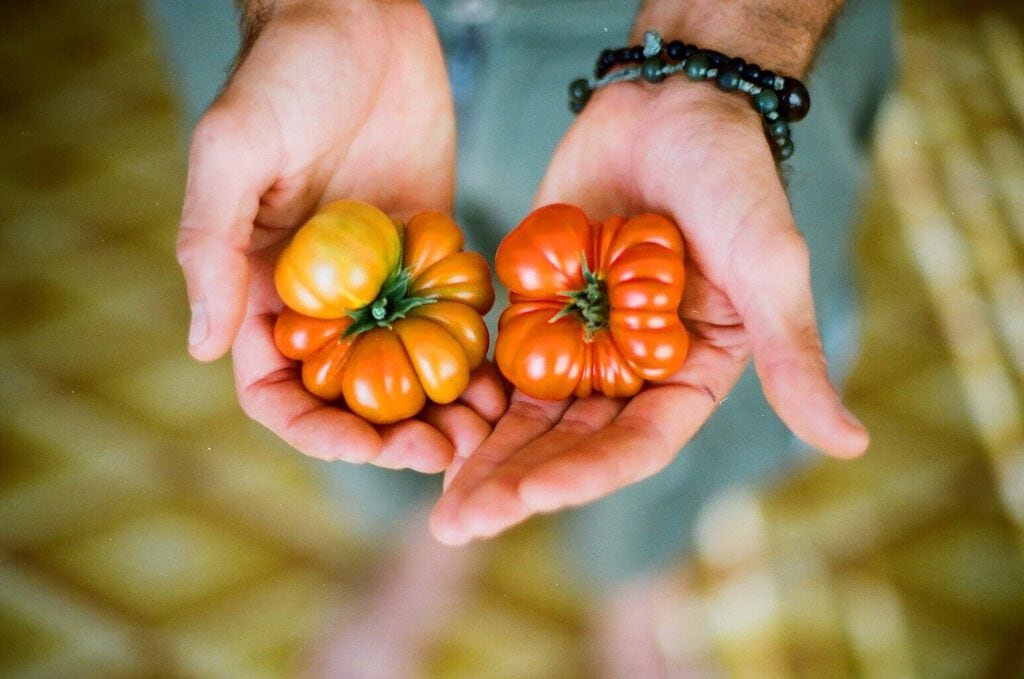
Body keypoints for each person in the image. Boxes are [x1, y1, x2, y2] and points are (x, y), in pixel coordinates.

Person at [167, 0, 893, 672]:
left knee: (704, 319)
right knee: (386, 414)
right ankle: (424, 545)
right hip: (336, 54)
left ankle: (636, 582)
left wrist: (723, 53)